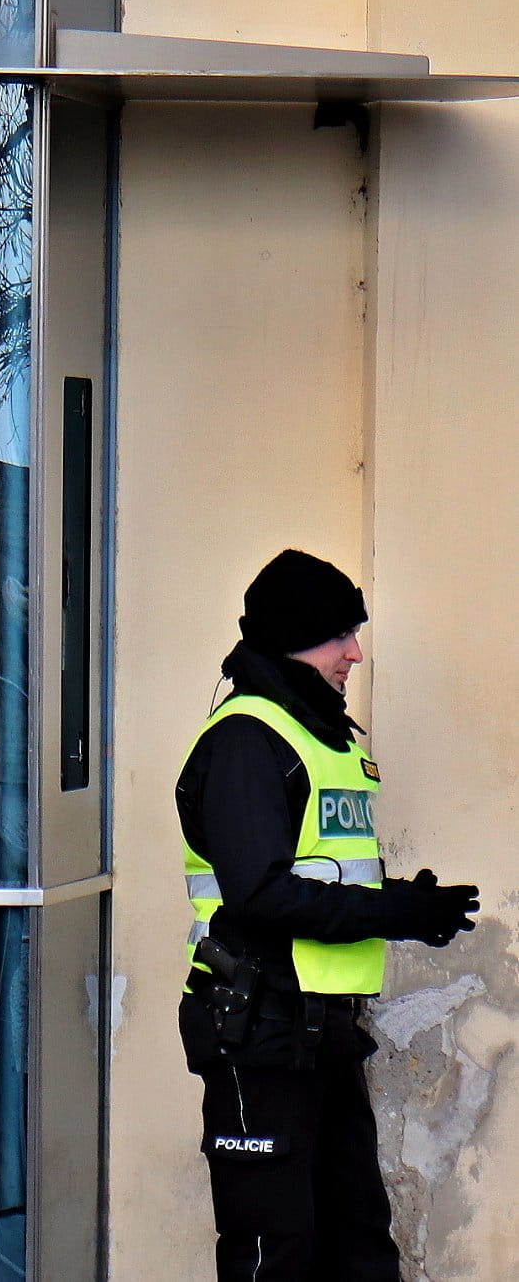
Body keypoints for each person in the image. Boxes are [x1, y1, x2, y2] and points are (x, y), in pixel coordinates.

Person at [176, 549, 481, 1281]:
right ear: (292, 638)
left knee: (358, 1248)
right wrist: (391, 912)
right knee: (273, 1254)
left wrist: (408, 902)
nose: (355, 654)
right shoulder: (248, 740)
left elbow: (322, 872)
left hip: (320, 1031)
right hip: (259, 1028)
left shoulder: (318, 736)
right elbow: (262, 894)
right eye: (339, 635)